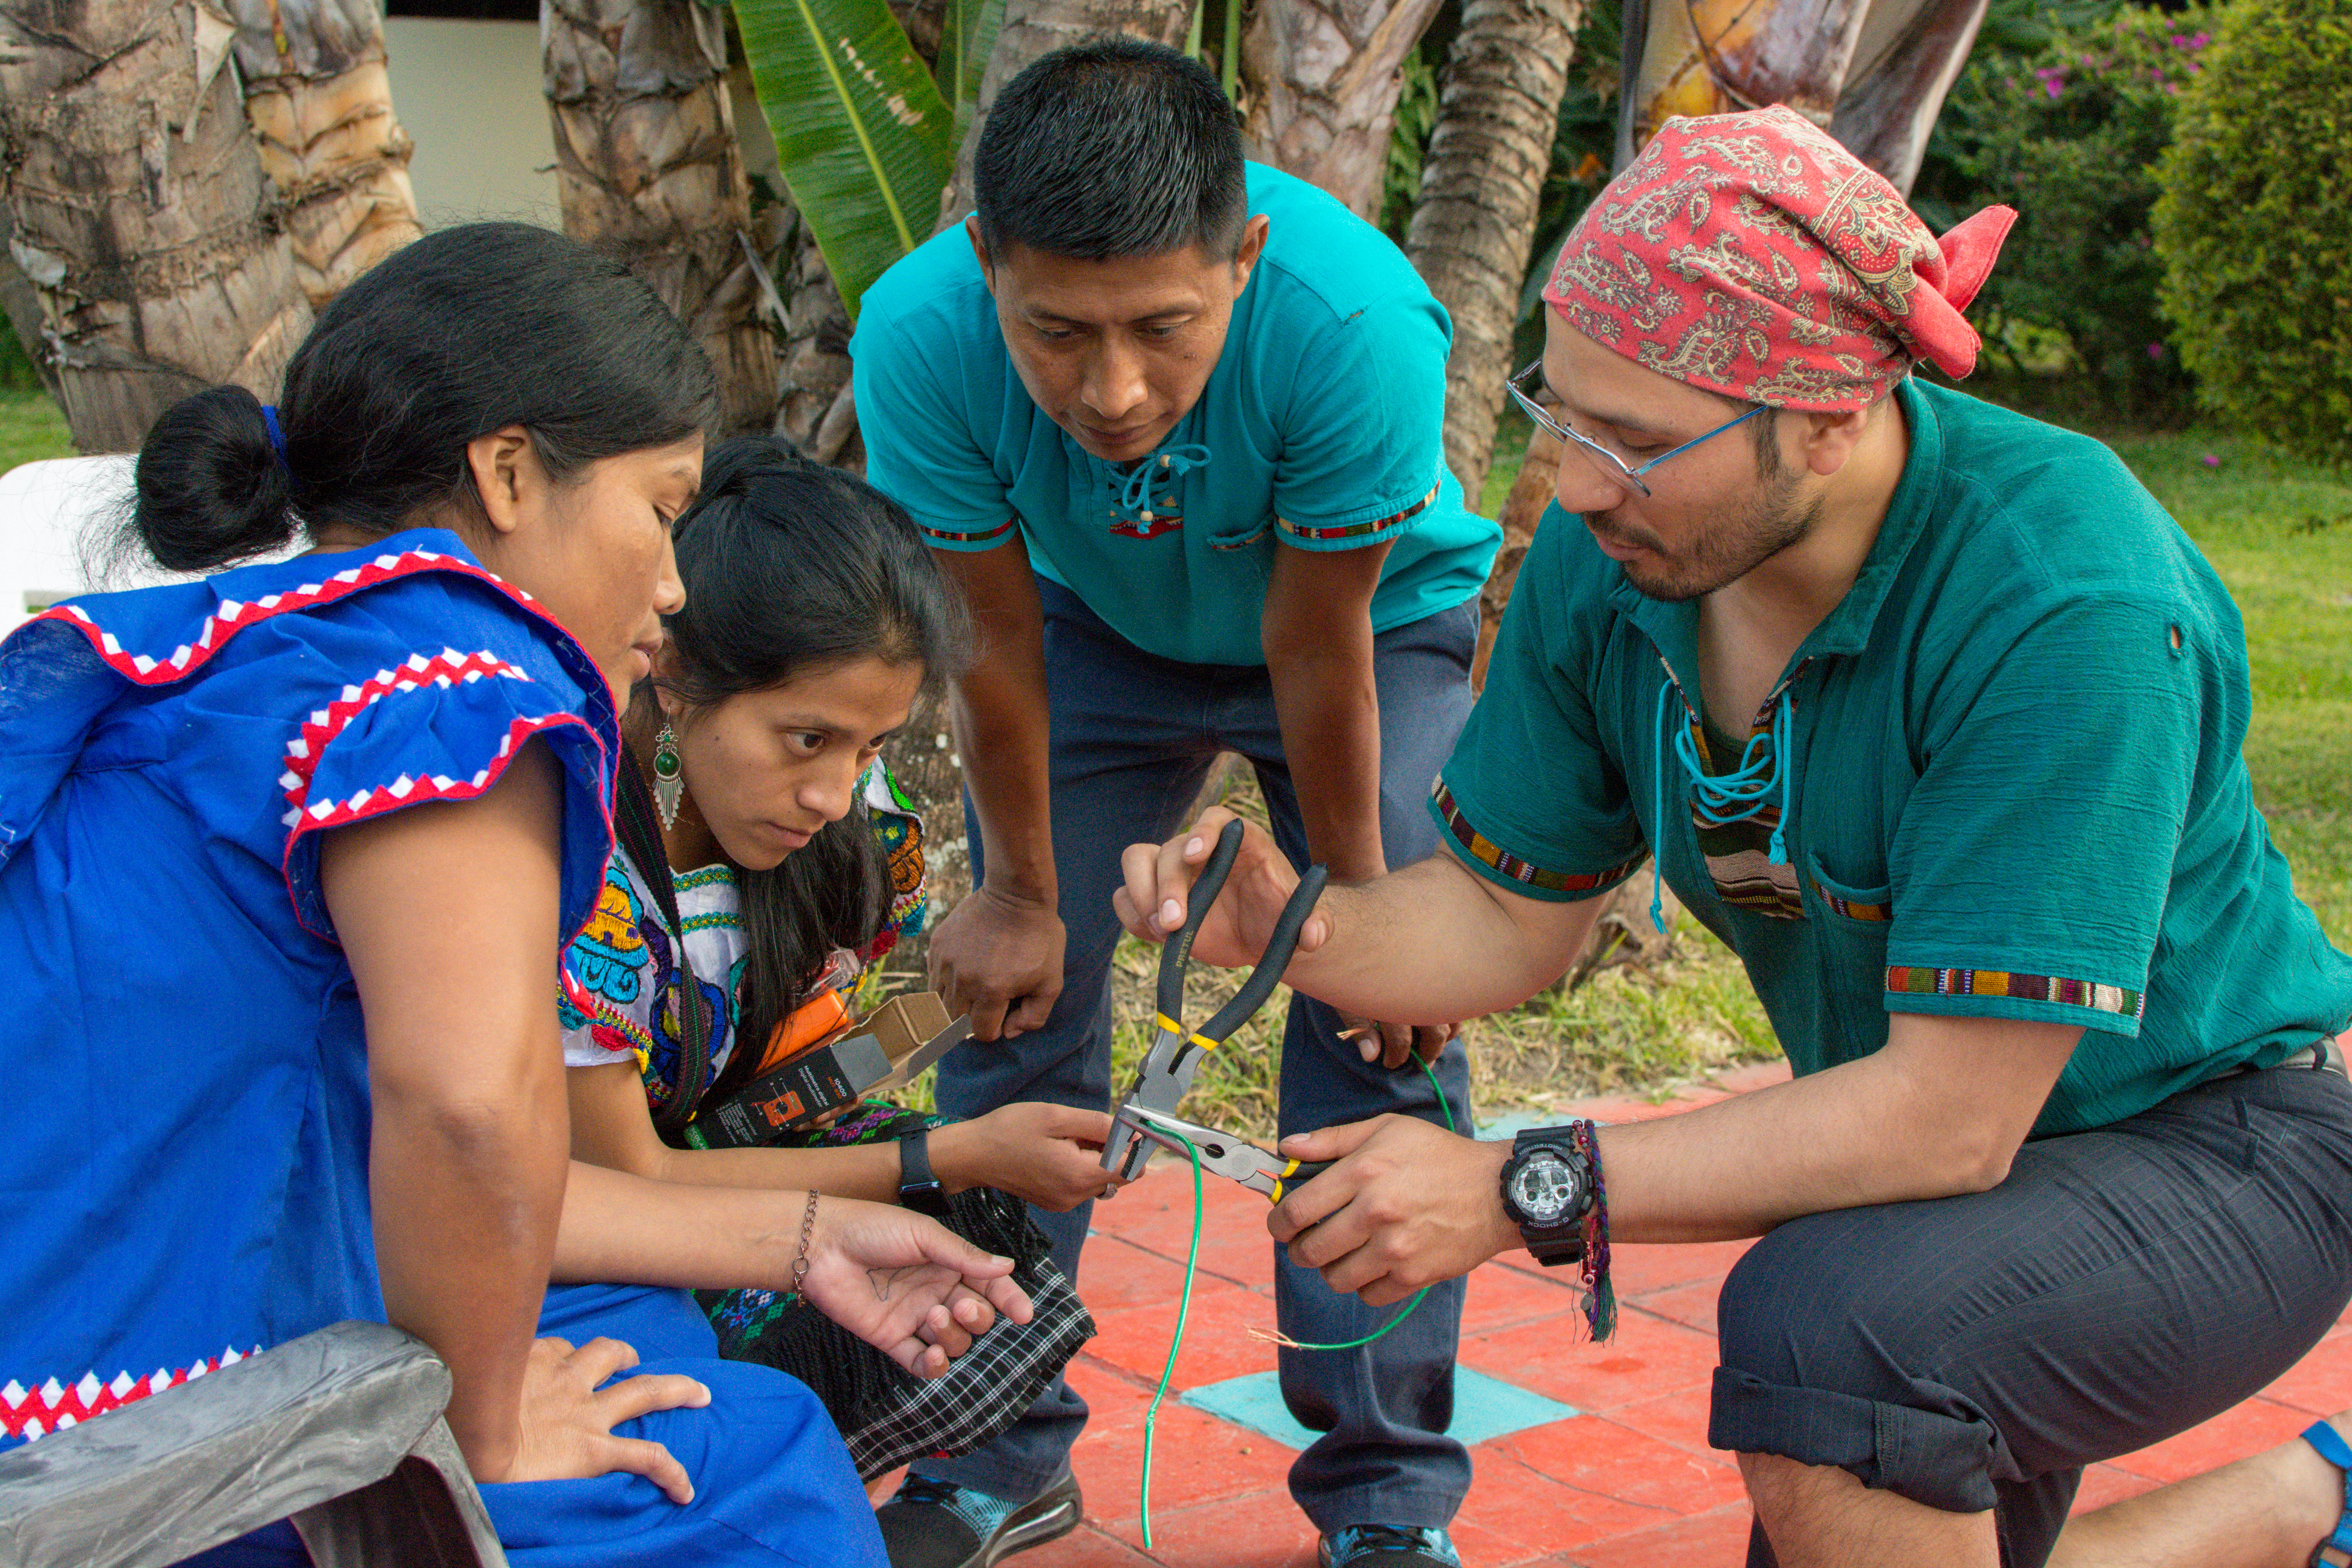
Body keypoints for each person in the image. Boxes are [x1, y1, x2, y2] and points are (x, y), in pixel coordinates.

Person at [1114, 106, 2352, 1568]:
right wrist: (1296, 926)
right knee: (1838, 1380)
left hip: (2211, 1148)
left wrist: (1519, 1189)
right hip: (1939, 1189)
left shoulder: (2063, 604)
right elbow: (1509, 920)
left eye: (1633, 440)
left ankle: (2297, 1508)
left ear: (1829, 415)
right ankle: (2299, 1513)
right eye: (1557, 414)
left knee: (1822, 1336)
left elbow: (1950, 1121)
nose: (1570, 486)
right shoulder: (1625, 546)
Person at [0, 223, 1032, 1568]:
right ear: (505, 473)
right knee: (750, 1465)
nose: (671, 586)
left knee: (642, 1334)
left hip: (85, 1340)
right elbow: (469, 1111)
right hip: (138, 1437)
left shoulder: (262, 645)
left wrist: (805, 1237)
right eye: (662, 511)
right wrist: (475, 1435)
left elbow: (477, 1161)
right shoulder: (454, 680)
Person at [849, 36, 1503, 1568]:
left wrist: (1369, 915)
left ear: (1245, 257)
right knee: (1016, 1013)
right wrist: (1017, 891)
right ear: (984, 264)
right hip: (1092, 632)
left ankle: (1388, 1502)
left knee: (1382, 1021)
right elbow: (994, 639)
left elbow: (1314, 642)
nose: (1113, 388)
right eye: (1056, 332)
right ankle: (991, 1456)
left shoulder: (1355, 321)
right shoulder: (920, 333)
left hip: (1366, 628)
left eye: (1163, 326)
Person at [557, 436, 1116, 1480]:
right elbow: (632, 1179)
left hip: (719, 1151)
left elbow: (836, 1055)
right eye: (803, 738)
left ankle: (833, 1482)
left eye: (869, 746)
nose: (833, 791)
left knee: (952, 1244)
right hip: (590, 1220)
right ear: (675, 681)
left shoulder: (862, 836)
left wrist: (929, 1068)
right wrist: (951, 1153)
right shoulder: (579, 885)